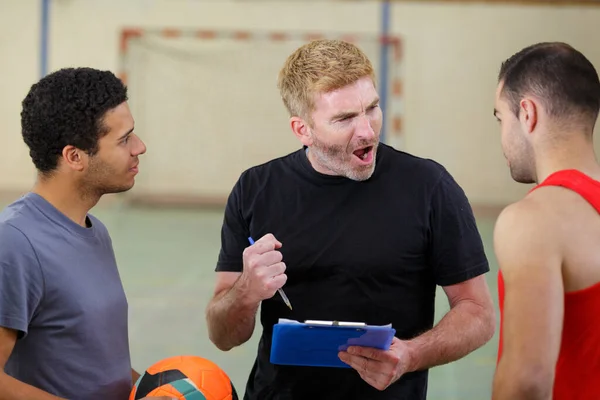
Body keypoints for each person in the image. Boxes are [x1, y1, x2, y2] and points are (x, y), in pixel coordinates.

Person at [205, 39, 495, 399]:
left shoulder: (429, 187)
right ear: (302, 130)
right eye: (344, 119)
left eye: (371, 108)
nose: (368, 131)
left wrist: (410, 355)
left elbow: (478, 312)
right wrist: (247, 291)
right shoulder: (255, 189)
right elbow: (222, 336)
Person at [0, 68, 172, 400]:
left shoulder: (95, 231)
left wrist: (155, 389)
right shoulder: (15, 243)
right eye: (124, 139)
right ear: (74, 157)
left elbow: (96, 364)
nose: (140, 147)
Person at [492, 42, 600, 400]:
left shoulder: (534, 221)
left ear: (527, 114)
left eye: (500, 118)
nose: (502, 138)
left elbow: (527, 381)